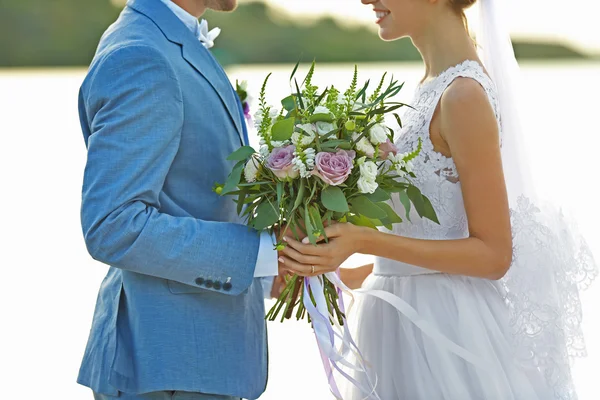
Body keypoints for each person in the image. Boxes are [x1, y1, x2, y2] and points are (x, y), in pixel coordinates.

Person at [277, 0, 597, 398]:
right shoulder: (429, 85)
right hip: (396, 321)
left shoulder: (464, 96)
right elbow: (428, 235)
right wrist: (346, 274)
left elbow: (494, 255)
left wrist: (364, 241)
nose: (365, 0)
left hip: (446, 335)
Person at [76, 0, 298, 398]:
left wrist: (267, 271)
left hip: (193, 362)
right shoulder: (141, 55)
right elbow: (114, 226)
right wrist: (263, 253)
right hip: (169, 370)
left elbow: (186, 197)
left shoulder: (167, 39)